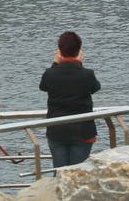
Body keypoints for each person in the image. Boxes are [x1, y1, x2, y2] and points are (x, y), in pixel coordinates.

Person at [38, 30, 101, 170]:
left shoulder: (50, 73)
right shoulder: (87, 74)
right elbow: (96, 87)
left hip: (57, 130)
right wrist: (79, 65)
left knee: (59, 172)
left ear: (59, 51)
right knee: (79, 173)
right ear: (79, 51)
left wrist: (55, 64)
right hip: (83, 131)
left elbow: (43, 86)